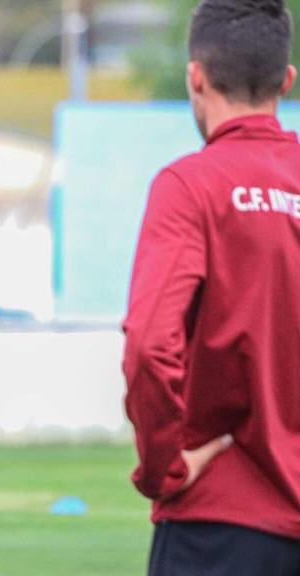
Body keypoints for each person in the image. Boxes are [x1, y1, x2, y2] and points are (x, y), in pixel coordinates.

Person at [123, 0, 300, 574]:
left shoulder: (189, 186)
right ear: (286, 80)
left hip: (220, 522)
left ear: (195, 76)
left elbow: (150, 346)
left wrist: (161, 470)